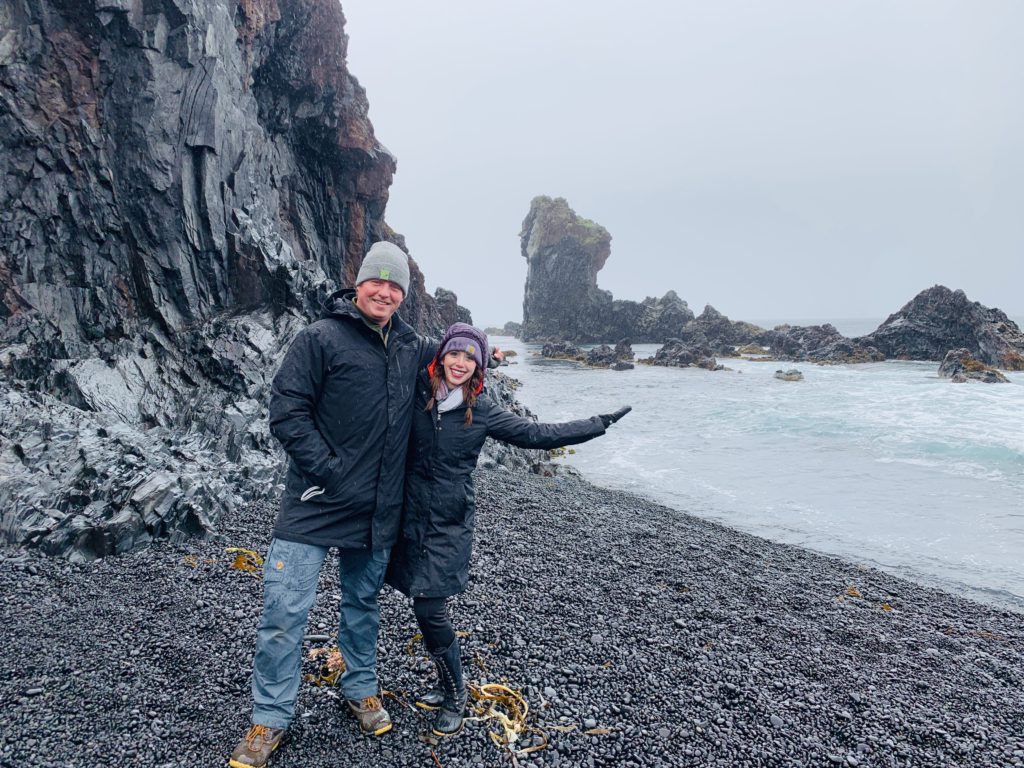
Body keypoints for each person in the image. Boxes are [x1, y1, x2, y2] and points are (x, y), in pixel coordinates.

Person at [230, 242, 436, 768]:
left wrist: (487, 354)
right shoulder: (319, 338)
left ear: (403, 295)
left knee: (363, 608)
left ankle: (360, 687)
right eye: (377, 281)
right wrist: (329, 469)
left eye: (395, 285)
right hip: (314, 502)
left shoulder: (411, 347)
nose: (384, 291)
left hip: (376, 510)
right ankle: (269, 718)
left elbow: (454, 362)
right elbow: (286, 409)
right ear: (358, 282)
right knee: (283, 612)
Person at [385, 323, 631, 737]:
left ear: (478, 367)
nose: (460, 363)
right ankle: (445, 682)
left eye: (470, 358)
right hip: (408, 520)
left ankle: (455, 693)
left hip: (449, 523)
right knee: (419, 605)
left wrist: (598, 422)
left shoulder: (481, 411)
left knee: (430, 608)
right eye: (455, 354)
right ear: (441, 356)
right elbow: (400, 341)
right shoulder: (419, 395)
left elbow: (536, 435)